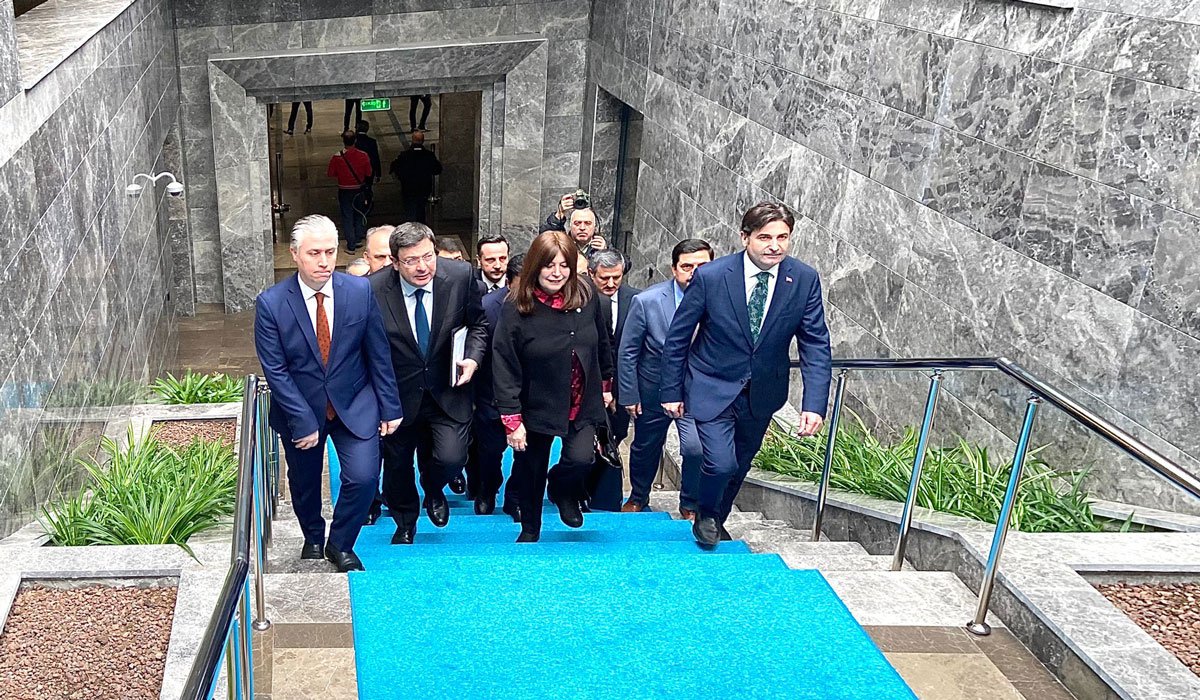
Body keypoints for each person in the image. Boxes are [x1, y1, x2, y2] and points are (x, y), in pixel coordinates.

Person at [661, 202, 832, 548]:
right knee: (720, 463)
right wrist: (671, 390)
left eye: (782, 237)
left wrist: (814, 404)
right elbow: (678, 336)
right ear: (745, 237)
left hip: (762, 392)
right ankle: (706, 515)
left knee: (739, 464)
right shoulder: (711, 276)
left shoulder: (803, 279)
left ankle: (716, 517)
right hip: (711, 384)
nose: (775, 246)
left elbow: (815, 343)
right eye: (765, 237)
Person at [253, 215, 402, 572]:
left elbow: (377, 352)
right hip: (301, 410)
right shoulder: (272, 303)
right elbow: (275, 370)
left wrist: (390, 406)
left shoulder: (359, 291)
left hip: (355, 403)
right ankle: (313, 535)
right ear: (294, 254)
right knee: (304, 484)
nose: (324, 261)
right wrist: (302, 420)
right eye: (314, 253)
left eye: (330, 252)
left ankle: (340, 543)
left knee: (364, 477)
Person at [369, 223, 488, 544]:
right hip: (398, 395)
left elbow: (478, 325)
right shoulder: (373, 290)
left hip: (448, 390)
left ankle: (433, 488)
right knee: (397, 466)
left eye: (428, 257)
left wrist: (473, 358)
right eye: (411, 261)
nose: (422, 267)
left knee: (452, 458)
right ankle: (405, 522)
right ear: (395, 263)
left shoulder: (460, 276)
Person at [492, 231, 615, 542]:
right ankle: (530, 528)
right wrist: (512, 418)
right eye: (549, 265)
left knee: (581, 458)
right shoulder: (516, 306)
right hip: (537, 401)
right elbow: (504, 363)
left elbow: (601, 342)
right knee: (531, 468)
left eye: (564, 265)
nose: (557, 273)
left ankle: (562, 489)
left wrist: (607, 383)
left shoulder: (586, 294)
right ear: (535, 266)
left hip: (581, 397)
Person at [619, 239, 713, 517]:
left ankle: (689, 503)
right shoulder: (647, 301)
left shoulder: (722, 301)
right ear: (674, 269)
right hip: (653, 388)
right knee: (645, 446)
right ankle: (638, 496)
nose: (694, 273)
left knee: (696, 448)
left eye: (702, 266)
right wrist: (629, 393)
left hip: (698, 390)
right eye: (687, 266)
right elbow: (628, 351)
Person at [468, 253, 525, 518]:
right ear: (509, 283)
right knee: (490, 452)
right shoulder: (488, 308)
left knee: (528, 455)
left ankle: (515, 498)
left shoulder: (547, 306)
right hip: (491, 393)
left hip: (529, 396)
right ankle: (487, 490)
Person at [588, 248, 640, 511]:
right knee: (587, 442)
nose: (610, 283)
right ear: (591, 274)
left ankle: (602, 493)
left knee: (615, 436)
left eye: (616, 277)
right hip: (587, 384)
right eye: (604, 278)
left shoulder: (637, 300)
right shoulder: (579, 298)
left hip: (623, 384)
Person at [327, 130, 373, 252]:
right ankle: (358, 238)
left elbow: (331, 173)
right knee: (359, 214)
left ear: (343, 141)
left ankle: (351, 245)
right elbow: (369, 173)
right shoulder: (363, 155)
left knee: (347, 216)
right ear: (355, 140)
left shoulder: (337, 157)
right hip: (359, 189)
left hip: (344, 190)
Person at [390, 130, 442, 224]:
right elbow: (437, 169)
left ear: (412, 140)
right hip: (424, 188)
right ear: (423, 141)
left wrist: (401, 177)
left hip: (408, 187)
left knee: (409, 210)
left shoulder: (404, 155)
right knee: (421, 210)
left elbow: (394, 167)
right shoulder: (429, 155)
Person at [355, 120, 382, 186]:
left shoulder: (353, 141)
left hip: (355, 169)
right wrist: (378, 173)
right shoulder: (372, 142)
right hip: (369, 169)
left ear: (357, 128)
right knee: (368, 187)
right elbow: (375, 158)